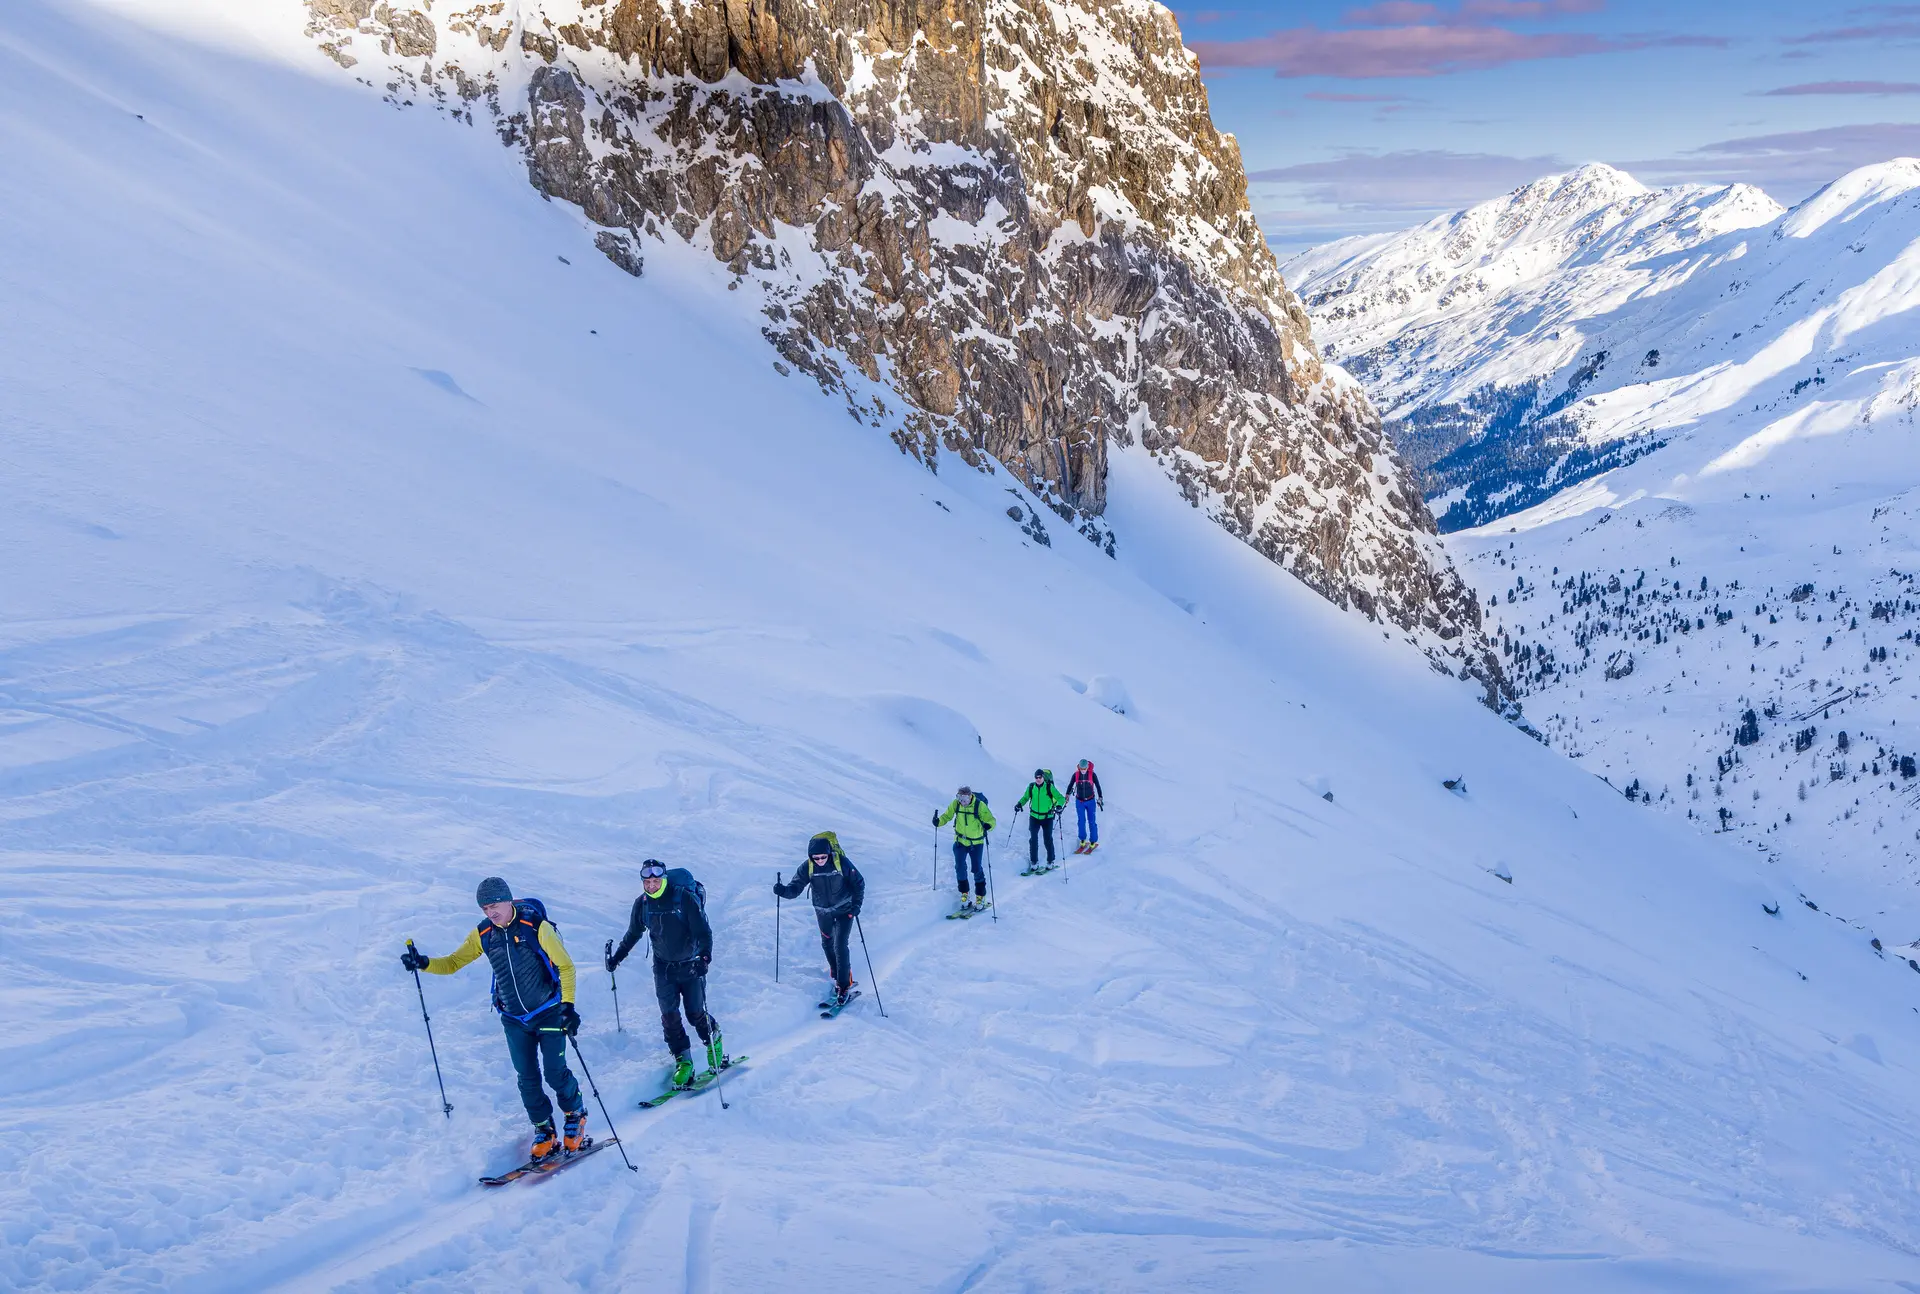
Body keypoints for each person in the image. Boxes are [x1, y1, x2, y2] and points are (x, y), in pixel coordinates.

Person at [401, 877, 586, 1163]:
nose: (490, 912)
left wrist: (568, 1007)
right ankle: (544, 1129)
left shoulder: (536, 927)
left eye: (494, 905)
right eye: (485, 908)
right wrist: (423, 963)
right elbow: (453, 963)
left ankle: (575, 1115)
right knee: (527, 1078)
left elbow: (566, 966)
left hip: (548, 1010)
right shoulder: (483, 933)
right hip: (513, 1017)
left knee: (554, 1072)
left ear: (508, 900)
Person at [606, 859, 721, 1088]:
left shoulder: (682, 898)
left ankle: (713, 1041)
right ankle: (684, 1061)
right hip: (663, 968)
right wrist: (617, 958)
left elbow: (702, 932)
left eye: (656, 881)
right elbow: (633, 934)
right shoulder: (643, 904)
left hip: (690, 965)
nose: (651, 885)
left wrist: (704, 957)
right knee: (669, 1016)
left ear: (664, 879)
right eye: (647, 882)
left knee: (695, 1013)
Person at [774, 832, 865, 1005]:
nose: (820, 860)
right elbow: (795, 888)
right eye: (816, 858)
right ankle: (838, 975)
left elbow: (858, 882)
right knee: (827, 943)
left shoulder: (841, 863)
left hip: (845, 910)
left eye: (823, 857)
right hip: (823, 912)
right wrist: (783, 891)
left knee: (840, 945)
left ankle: (844, 985)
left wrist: (856, 906)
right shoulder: (807, 867)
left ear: (829, 853)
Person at [934, 786, 996, 910]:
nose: (962, 801)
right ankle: (964, 894)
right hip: (960, 841)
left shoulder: (979, 805)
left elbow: (991, 819)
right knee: (960, 867)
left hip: (976, 842)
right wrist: (938, 821)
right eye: (959, 798)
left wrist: (988, 825)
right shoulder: (956, 804)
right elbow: (947, 816)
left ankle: (980, 896)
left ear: (970, 796)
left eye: (964, 798)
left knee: (976, 868)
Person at [1015, 768, 1066, 871]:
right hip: (1034, 817)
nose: (1038, 779)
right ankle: (1034, 862)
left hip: (1047, 817)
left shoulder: (1049, 787)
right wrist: (1019, 804)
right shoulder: (1031, 787)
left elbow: (1061, 798)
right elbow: (1025, 798)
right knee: (1033, 839)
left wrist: (1059, 806)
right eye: (1036, 777)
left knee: (1047, 839)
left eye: (1040, 777)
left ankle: (1050, 861)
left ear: (1043, 777)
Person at [1067, 759, 1104, 852]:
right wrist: (1067, 795)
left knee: (1092, 821)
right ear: (1079, 767)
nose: (1083, 770)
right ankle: (1082, 840)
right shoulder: (1076, 775)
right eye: (1081, 768)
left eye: (1085, 768)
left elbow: (1098, 786)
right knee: (1081, 821)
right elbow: (1070, 785)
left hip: (1091, 801)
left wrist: (1100, 798)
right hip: (1080, 802)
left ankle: (1093, 841)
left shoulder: (1092, 775)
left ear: (1087, 767)